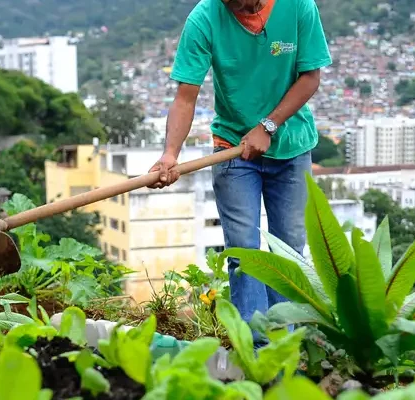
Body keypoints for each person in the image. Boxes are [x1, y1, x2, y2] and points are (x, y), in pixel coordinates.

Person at [147, 0, 332, 346]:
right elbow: (186, 96)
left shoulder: (298, 7)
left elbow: (311, 77)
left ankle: (283, 346)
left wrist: (269, 125)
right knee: (244, 252)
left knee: (288, 251)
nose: (234, 6)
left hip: (291, 147)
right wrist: (171, 154)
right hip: (233, 148)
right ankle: (257, 351)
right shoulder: (205, 18)